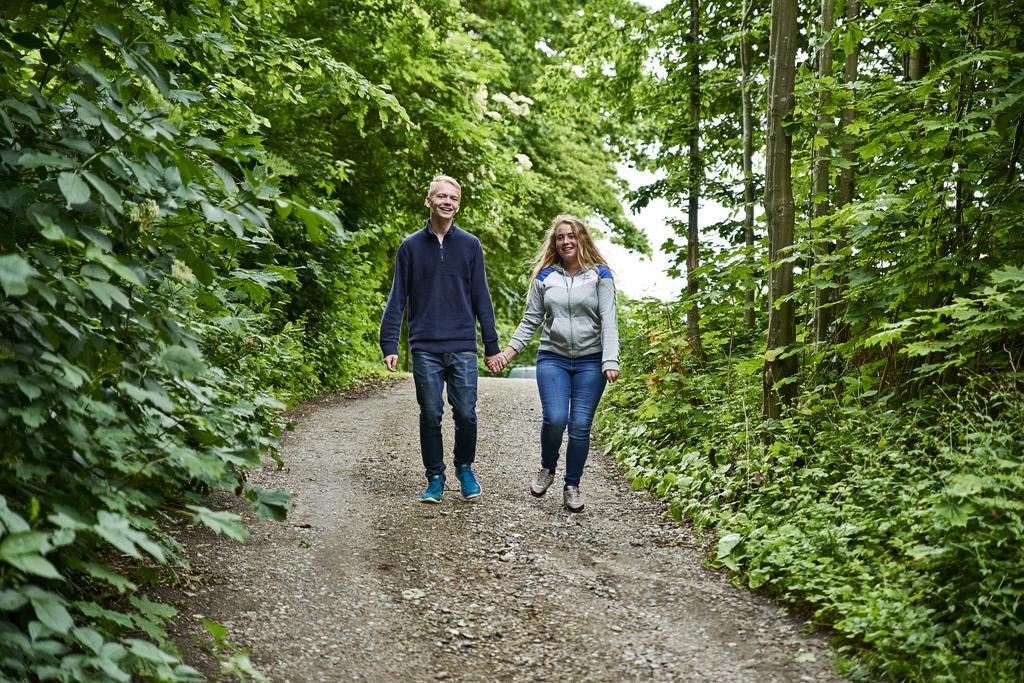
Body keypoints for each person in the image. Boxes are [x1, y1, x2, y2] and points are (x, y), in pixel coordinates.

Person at [379, 175, 507, 504]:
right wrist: (389, 344)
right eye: (441, 197)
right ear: (429, 201)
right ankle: (435, 476)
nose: (447, 202)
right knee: (430, 412)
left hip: (463, 345)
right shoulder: (409, 247)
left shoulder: (470, 245)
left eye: (453, 198)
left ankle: (464, 468)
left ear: (458, 204)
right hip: (425, 347)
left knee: (466, 413)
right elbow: (397, 299)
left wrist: (492, 347)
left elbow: (482, 297)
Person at [499, 214, 620, 513]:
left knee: (580, 426)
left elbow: (609, 319)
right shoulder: (545, 278)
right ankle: (547, 467)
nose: (566, 241)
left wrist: (610, 358)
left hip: (591, 362)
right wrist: (506, 354)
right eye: (560, 237)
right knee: (555, 419)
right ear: (555, 243)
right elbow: (531, 321)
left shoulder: (601, 275)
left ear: (582, 239)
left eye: (571, 236)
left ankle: (572, 485)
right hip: (553, 357)